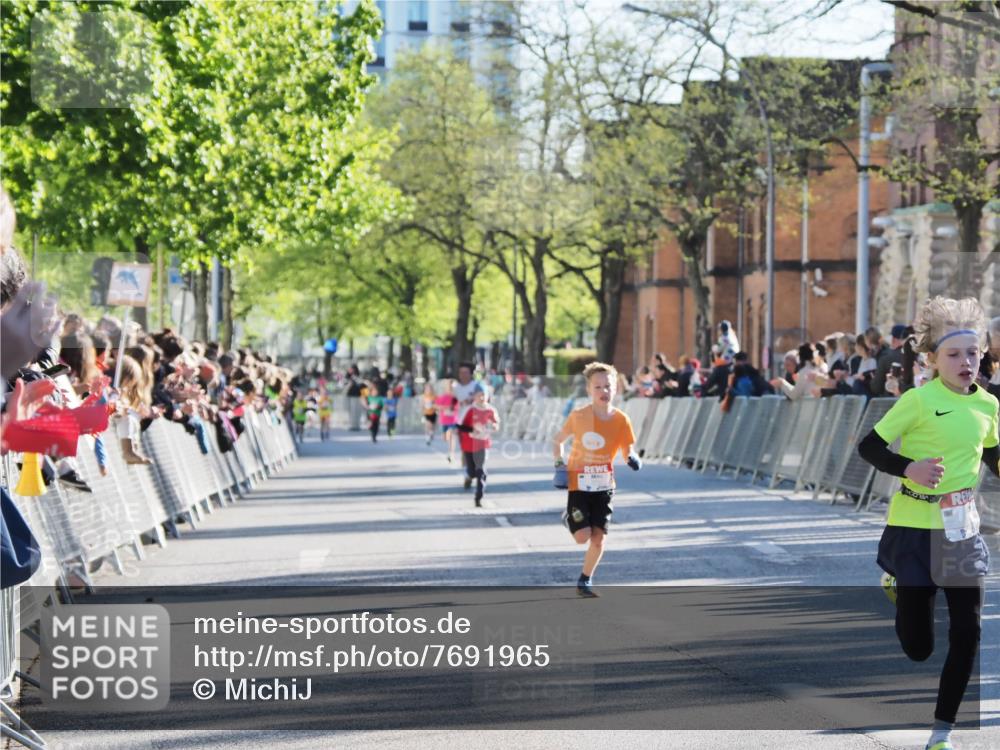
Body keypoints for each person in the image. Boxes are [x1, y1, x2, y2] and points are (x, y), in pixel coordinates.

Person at [857, 296, 998, 750]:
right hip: (914, 527)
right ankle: (897, 585)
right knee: (918, 646)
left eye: (974, 353)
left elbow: (993, 454)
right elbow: (870, 448)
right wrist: (909, 468)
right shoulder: (919, 400)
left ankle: (942, 732)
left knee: (968, 631)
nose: (966, 362)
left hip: (962, 531)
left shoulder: (989, 406)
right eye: (954, 354)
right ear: (933, 359)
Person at [551, 362, 641, 598]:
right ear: (589, 390)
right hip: (579, 483)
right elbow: (558, 441)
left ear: (615, 389)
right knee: (582, 537)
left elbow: (628, 449)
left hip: (604, 486)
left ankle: (585, 580)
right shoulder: (579, 416)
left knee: (598, 538)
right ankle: (569, 517)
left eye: (608, 386)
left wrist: (632, 459)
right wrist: (559, 464)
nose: (604, 391)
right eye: (598, 387)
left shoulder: (621, 419)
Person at [456, 382, 500, 507]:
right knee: (472, 472)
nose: (481, 398)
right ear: (474, 396)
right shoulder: (470, 410)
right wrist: (472, 430)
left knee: (481, 469)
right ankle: (469, 476)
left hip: (483, 444)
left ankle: (479, 496)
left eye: (484, 395)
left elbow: (496, 423)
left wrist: (495, 426)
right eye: (479, 395)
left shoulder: (490, 410)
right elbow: (460, 426)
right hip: (469, 445)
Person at [435, 379, 459, 462]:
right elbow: (436, 406)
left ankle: (451, 454)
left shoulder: (456, 398)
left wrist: (455, 408)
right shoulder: (443, 397)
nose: (452, 389)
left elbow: (459, 407)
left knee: (452, 436)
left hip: (454, 420)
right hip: (445, 420)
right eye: (450, 387)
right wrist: (445, 408)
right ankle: (450, 451)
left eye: (453, 388)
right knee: (446, 438)